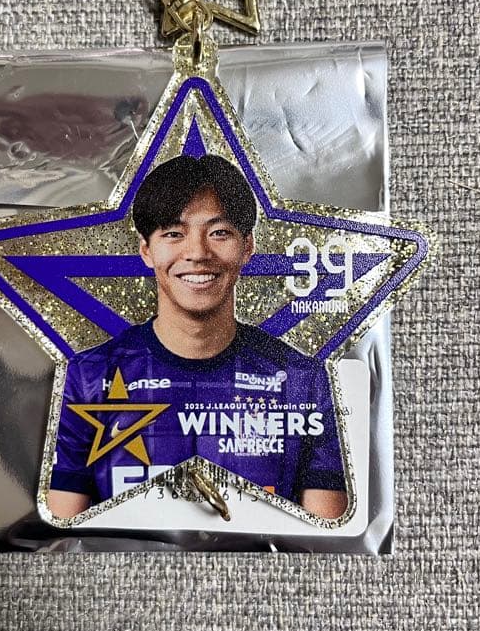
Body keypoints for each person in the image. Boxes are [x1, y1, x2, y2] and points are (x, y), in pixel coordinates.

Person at [48, 154, 348, 520]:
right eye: (174, 234)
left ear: (248, 246)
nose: (197, 253)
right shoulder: (88, 378)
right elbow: (63, 532)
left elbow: (326, 539)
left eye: (219, 232)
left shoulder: (303, 382)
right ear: (146, 250)